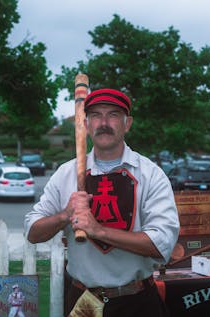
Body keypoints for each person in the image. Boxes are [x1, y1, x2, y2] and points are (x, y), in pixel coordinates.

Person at [24, 88, 180, 317]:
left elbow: (161, 244)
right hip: (83, 302)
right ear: (86, 124)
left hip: (137, 302)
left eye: (114, 114)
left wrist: (97, 230)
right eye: (96, 115)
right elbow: (32, 232)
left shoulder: (150, 174)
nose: (104, 122)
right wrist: (65, 215)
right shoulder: (65, 174)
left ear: (128, 124)